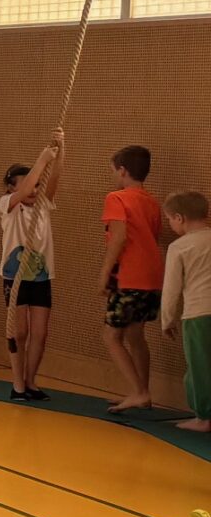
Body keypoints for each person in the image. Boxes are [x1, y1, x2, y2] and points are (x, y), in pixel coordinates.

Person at [101, 143, 167, 414]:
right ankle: (142, 391)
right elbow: (154, 237)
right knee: (135, 335)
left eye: (114, 171)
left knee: (111, 336)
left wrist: (105, 273)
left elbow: (119, 238)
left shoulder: (116, 198)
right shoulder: (152, 202)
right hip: (152, 276)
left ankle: (139, 392)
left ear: (122, 171)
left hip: (130, 276)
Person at [0, 131, 63, 403]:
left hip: (41, 277)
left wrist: (60, 148)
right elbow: (24, 191)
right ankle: (17, 383)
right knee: (19, 332)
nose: (33, 190)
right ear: (10, 188)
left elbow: (54, 177)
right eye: (28, 185)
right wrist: (42, 159)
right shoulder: (7, 205)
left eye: (37, 185)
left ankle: (30, 381)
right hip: (15, 276)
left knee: (40, 333)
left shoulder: (43, 205)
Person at [162, 190, 211, 434]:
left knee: (200, 367)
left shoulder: (179, 247)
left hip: (198, 313)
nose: (170, 224)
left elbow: (171, 288)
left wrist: (167, 319)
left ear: (179, 218)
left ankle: (204, 417)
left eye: (169, 219)